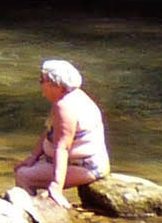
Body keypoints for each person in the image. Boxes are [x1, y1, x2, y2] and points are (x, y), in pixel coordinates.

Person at [14, 57, 110, 207]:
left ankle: (29, 212)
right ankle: (37, 204)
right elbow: (49, 131)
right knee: (24, 167)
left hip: (86, 167)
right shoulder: (73, 96)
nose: (40, 84)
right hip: (77, 162)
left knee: (23, 175)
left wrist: (56, 186)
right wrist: (33, 156)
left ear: (56, 85)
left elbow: (62, 148)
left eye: (42, 80)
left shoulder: (65, 107)